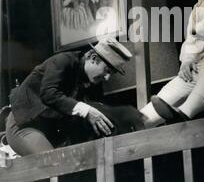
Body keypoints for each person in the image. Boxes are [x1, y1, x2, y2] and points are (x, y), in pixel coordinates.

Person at [5, 37, 144, 156]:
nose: (107, 78)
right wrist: (86, 110)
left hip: (50, 130)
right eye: (106, 71)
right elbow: (48, 94)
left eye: (111, 74)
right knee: (54, 164)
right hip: (23, 125)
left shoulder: (88, 79)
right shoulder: (63, 61)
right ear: (93, 58)